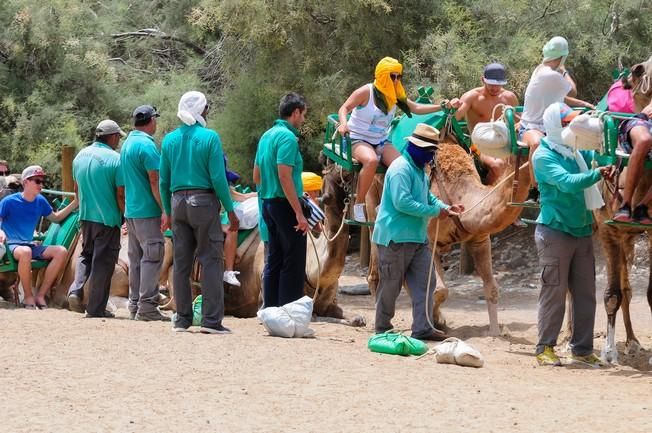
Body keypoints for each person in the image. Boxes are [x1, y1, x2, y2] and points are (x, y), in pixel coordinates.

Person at [532, 102, 614, 367]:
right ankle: (545, 347)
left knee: (585, 293)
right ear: (555, 126)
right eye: (566, 123)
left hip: (580, 231)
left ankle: (582, 349)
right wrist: (595, 175)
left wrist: (608, 165)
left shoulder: (573, 151)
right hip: (554, 231)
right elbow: (567, 183)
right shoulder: (543, 156)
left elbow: (602, 156)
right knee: (553, 292)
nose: (571, 128)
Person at [372, 123, 464, 341]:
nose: (431, 155)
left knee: (426, 283)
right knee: (390, 286)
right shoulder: (399, 169)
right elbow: (402, 202)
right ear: (416, 148)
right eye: (429, 151)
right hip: (394, 238)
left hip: (417, 238)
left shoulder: (421, 171)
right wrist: (435, 211)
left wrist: (445, 208)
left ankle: (423, 327)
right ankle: (382, 327)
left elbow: (426, 197)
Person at [160, 90, 238, 334]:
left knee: (181, 264)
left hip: (177, 203)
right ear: (201, 110)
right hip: (203, 202)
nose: (207, 112)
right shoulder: (210, 138)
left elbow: (164, 180)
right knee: (211, 260)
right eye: (206, 108)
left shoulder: (169, 140)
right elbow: (217, 178)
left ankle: (182, 319)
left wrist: (167, 211)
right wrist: (230, 210)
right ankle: (211, 321)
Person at [337, 57, 451, 222]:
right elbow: (344, 108)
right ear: (383, 75)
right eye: (392, 76)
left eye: (399, 76)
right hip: (358, 138)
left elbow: (416, 108)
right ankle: (359, 204)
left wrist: (441, 107)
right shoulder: (366, 91)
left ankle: (386, 201)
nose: (396, 80)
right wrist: (343, 123)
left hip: (381, 140)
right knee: (370, 161)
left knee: (403, 165)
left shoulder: (395, 94)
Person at [520, 36, 595, 203]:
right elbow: (572, 91)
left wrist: (584, 104)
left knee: (579, 138)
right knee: (537, 143)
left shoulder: (541, 70)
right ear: (562, 57)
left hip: (552, 125)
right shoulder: (550, 74)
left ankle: (578, 183)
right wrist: (564, 69)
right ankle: (535, 190)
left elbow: (560, 96)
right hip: (531, 127)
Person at [254, 92, 309, 308]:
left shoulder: (266, 136)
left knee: (274, 259)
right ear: (295, 113)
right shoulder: (287, 138)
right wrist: (298, 212)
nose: (303, 120)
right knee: (293, 260)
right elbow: (284, 175)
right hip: (285, 205)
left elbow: (257, 177)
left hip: (268, 203)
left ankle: (271, 309)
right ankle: (290, 311)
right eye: (303, 115)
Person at [68, 120, 125, 318]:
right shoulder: (116, 159)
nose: (118, 141)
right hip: (107, 219)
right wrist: (124, 215)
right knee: (104, 262)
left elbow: (76, 190)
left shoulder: (79, 157)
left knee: (86, 255)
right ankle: (96, 308)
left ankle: (75, 290)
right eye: (118, 137)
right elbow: (120, 194)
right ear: (112, 136)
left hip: (86, 217)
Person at [0, 165, 78, 309]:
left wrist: (75, 203)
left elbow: (55, 218)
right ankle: (28, 297)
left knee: (61, 251)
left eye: (42, 181)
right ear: (25, 182)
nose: (41, 184)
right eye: (37, 181)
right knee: (25, 252)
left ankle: (40, 295)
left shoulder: (40, 201)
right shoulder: (9, 201)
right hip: (10, 245)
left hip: (29, 245)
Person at [121, 105, 169, 321]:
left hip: (131, 212)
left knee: (137, 259)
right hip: (147, 211)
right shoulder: (147, 146)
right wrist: (165, 208)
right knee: (152, 256)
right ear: (151, 120)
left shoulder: (127, 144)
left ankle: (134, 304)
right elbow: (154, 179)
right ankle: (148, 307)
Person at [452, 63, 519, 184]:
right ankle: (487, 197)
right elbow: (454, 117)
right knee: (497, 165)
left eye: (498, 85)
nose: (494, 88)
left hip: (504, 142)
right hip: (479, 144)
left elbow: (518, 123)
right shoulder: (472, 97)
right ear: (483, 79)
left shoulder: (509, 97)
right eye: (491, 84)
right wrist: (453, 105)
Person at [607, 60, 652, 223]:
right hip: (638, 120)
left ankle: (642, 207)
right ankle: (625, 205)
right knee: (644, 139)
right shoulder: (644, 71)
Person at [221, 161, 257, 287]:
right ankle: (229, 270)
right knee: (232, 229)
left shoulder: (221, 183)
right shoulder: (214, 181)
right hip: (210, 218)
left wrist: (254, 195)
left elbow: (238, 196)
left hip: (214, 216)